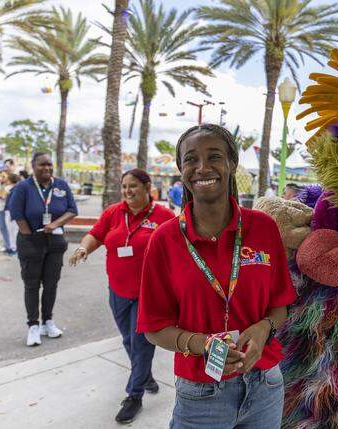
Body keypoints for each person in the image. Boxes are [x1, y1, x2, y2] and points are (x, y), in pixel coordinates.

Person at [136, 124, 297, 429]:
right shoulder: (165, 239)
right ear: (181, 168)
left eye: (214, 156)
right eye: (191, 159)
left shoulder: (263, 228)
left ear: (232, 163)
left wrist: (264, 329)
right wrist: (203, 344)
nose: (202, 168)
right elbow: (153, 328)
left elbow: (280, 305)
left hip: (266, 385)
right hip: (201, 393)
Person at [69, 169, 174, 424]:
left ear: (148, 187)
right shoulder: (114, 213)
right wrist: (84, 247)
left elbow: (178, 248)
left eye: (133, 186)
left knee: (140, 343)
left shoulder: (164, 216)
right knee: (128, 340)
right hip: (117, 290)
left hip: (148, 294)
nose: (127, 191)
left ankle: (134, 395)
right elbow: (96, 233)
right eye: (124, 186)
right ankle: (145, 375)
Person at [9, 153, 78, 347]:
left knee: (51, 284)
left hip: (55, 241)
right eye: (42, 165)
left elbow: (72, 210)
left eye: (49, 164)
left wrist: (55, 223)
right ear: (33, 166)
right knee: (32, 285)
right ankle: (33, 326)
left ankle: (48, 321)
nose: (46, 168)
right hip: (31, 241)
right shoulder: (23, 187)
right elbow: (17, 214)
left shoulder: (61, 186)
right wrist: (30, 236)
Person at [0, 171, 12, 254]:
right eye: (0, 176)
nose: (1, 178)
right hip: (0, 208)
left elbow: (2, 196)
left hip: (7, 209)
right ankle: (6, 245)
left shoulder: (9, 186)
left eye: (3, 176)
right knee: (2, 227)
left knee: (8, 228)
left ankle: (10, 246)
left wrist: (0, 194)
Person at [4, 173, 21, 256]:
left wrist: (12, 214)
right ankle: (13, 247)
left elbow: (13, 203)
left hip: (11, 212)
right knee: (12, 231)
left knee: (13, 231)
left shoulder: (15, 189)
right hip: (10, 211)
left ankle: (15, 249)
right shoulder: (13, 188)